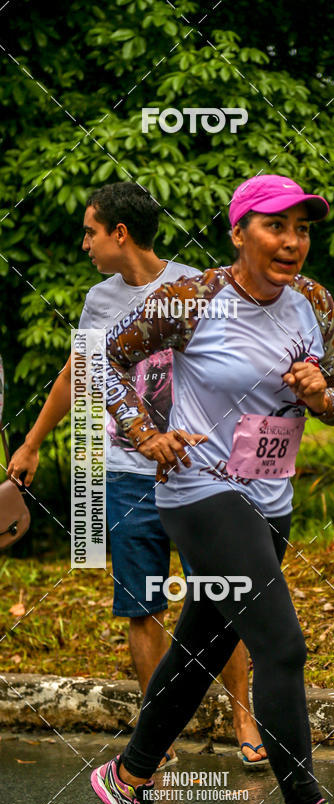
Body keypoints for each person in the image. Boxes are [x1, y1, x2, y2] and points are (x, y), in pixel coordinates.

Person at [90, 174, 334, 804]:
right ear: (239, 232)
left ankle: (128, 778)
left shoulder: (314, 302)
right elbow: (107, 359)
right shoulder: (194, 299)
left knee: (196, 651)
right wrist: (144, 432)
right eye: (275, 227)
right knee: (281, 647)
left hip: (269, 503)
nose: (292, 242)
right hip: (201, 494)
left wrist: (323, 394)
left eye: (303, 229)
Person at [7, 181, 268, 768]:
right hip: (126, 473)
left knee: (219, 596)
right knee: (140, 605)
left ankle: (243, 715)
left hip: (197, 474)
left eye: (90, 232)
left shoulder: (198, 289)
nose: (85, 244)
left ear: (119, 234)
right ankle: (159, 731)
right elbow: (79, 372)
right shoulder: (99, 301)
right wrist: (32, 442)